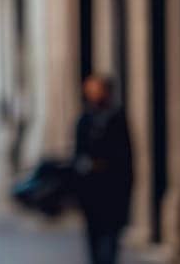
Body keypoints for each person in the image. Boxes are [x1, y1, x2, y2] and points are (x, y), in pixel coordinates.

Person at [73, 74, 134, 264]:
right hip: (91, 191)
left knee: (110, 239)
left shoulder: (116, 118)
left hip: (112, 189)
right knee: (94, 237)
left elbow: (126, 156)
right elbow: (78, 154)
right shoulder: (85, 119)